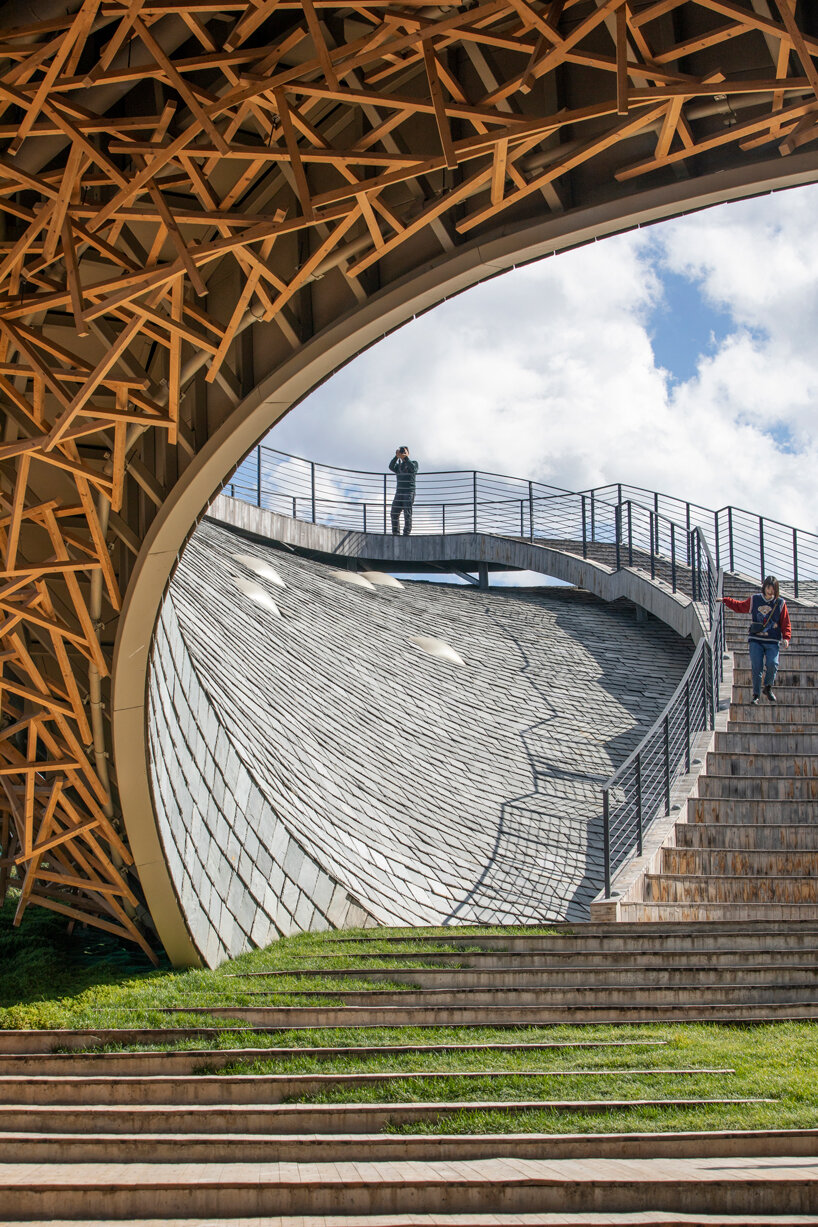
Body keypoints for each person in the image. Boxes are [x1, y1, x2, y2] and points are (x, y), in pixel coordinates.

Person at [720, 576, 791, 705]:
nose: (770, 591)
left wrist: (786, 637)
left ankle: (768, 687)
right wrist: (726, 600)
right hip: (756, 640)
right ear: (764, 587)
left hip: (772, 641)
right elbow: (740, 606)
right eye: (768, 588)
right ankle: (756, 695)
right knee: (756, 667)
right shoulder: (755, 599)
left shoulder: (780, 603)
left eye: (773, 589)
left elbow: (785, 622)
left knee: (773, 664)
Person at [388, 446, 418, 536]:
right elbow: (391, 467)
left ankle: (406, 533)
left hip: (409, 492)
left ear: (408, 453)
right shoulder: (399, 466)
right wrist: (396, 457)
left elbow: (413, 469)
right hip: (399, 492)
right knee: (394, 512)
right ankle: (396, 533)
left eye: (404, 451)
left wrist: (405, 458)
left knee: (407, 513)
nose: (402, 453)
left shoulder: (413, 463)